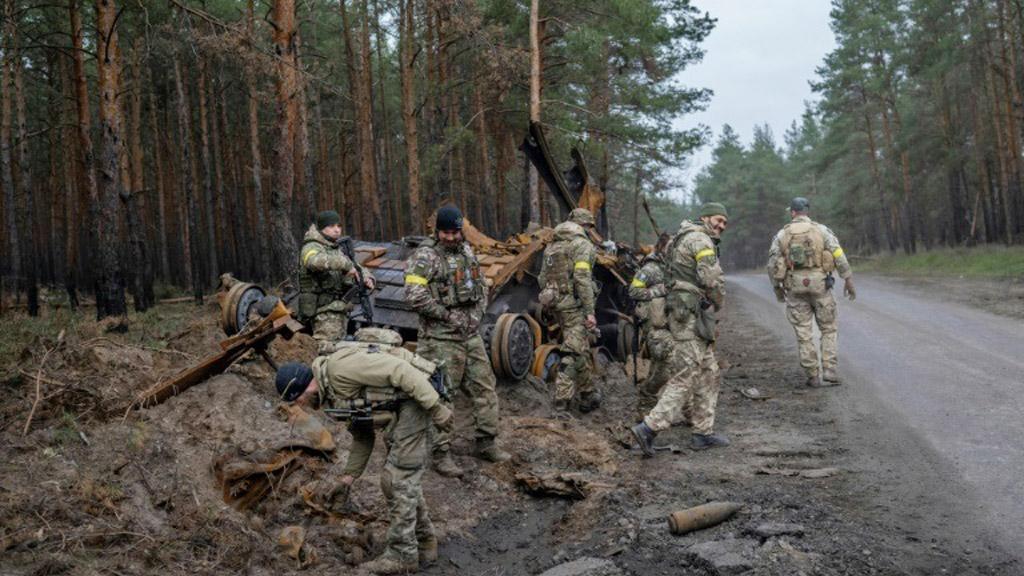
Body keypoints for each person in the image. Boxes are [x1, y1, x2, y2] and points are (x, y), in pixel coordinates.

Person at [275, 327, 453, 574]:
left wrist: (436, 407)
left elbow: (400, 371)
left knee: (396, 479)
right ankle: (425, 543)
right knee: (403, 480)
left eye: (298, 402)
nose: (301, 407)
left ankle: (402, 555)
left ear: (303, 389)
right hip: (404, 406)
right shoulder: (331, 396)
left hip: (419, 398)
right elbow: (363, 435)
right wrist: (347, 478)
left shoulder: (340, 370)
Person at [404, 205, 510, 478]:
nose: (451, 237)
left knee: (485, 388)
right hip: (440, 339)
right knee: (442, 396)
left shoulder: (467, 252)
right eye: (446, 232)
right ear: (437, 231)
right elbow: (414, 295)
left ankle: (486, 442)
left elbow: (481, 288)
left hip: (469, 336)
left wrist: (476, 316)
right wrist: (447, 316)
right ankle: (441, 453)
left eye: (455, 232)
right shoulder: (426, 257)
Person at [631, 202, 730, 456]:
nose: (721, 225)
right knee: (686, 375)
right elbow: (711, 280)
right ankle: (649, 428)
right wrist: (718, 301)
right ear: (705, 217)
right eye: (718, 220)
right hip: (690, 317)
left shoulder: (680, 238)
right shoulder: (701, 240)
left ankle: (702, 433)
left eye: (724, 223)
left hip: (687, 313)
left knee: (709, 371)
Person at [767, 197, 855, 387]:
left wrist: (777, 289)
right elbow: (838, 253)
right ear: (807, 211)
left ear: (792, 213)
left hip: (795, 286)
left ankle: (812, 375)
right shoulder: (821, 230)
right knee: (828, 328)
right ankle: (829, 369)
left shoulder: (782, 234)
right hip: (820, 285)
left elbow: (772, 264)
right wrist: (847, 278)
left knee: (803, 332)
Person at [538, 208, 601, 415]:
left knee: (578, 347)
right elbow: (582, 278)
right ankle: (561, 401)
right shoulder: (582, 245)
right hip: (575, 307)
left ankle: (588, 394)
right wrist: (590, 311)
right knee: (571, 353)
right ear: (586, 226)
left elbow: (541, 279)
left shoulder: (552, 246)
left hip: (556, 305)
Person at [296, 210, 375, 355]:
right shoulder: (311, 246)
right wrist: (344, 264)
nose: (337, 229)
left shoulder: (335, 248)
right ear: (322, 228)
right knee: (327, 352)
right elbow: (312, 261)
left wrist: (367, 277)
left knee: (340, 351)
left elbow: (355, 265)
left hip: (340, 309)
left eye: (339, 226)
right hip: (323, 310)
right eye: (332, 226)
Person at [628, 233, 679, 420]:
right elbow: (633, 290)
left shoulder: (674, 268)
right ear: (662, 247)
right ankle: (647, 396)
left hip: (671, 323)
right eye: (670, 247)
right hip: (654, 325)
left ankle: (646, 408)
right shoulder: (650, 269)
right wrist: (659, 291)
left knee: (661, 366)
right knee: (668, 365)